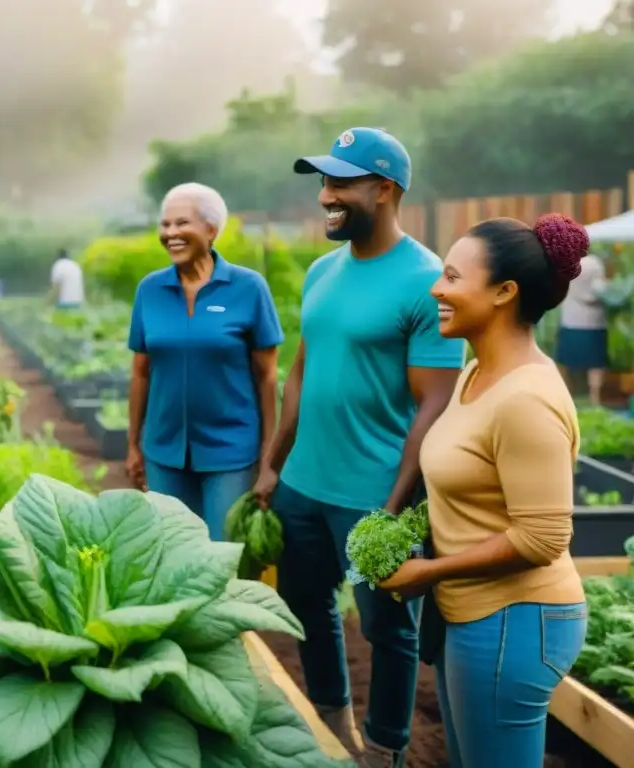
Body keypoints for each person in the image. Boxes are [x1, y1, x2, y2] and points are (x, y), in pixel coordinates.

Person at [254, 128, 465, 766]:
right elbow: (299, 370)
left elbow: (437, 400)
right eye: (324, 182)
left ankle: (383, 750)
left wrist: (395, 506)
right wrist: (273, 462)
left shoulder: (429, 282)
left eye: (342, 183)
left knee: (387, 630)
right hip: (305, 485)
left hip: (375, 490)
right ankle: (330, 727)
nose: (326, 196)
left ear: (386, 189)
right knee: (306, 610)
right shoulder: (322, 271)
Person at [379, 214, 589, 768]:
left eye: (451, 277)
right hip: (472, 617)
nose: (435, 288)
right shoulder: (476, 372)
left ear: (504, 292)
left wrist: (428, 572)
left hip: (514, 620)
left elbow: (543, 536)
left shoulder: (526, 399)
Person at [127, 182, 283, 541]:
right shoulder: (149, 290)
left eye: (182, 223)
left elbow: (268, 377)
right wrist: (134, 445)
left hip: (231, 453)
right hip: (164, 451)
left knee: (223, 557)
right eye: (165, 225)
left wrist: (268, 458)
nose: (170, 234)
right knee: (172, 554)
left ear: (211, 230)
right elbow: (140, 372)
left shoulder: (249, 288)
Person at [555, 250, 609, 405]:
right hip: (594, 322)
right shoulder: (596, 263)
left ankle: (565, 395)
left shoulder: (568, 265)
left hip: (571, 321)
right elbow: (601, 289)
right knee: (596, 362)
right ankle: (595, 397)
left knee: (566, 360)